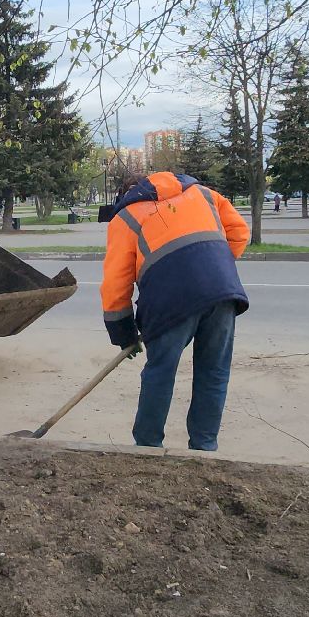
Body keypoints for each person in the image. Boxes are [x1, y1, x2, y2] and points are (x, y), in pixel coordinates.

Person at [101, 171, 250, 451]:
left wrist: (123, 332)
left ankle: (147, 445)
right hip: (221, 293)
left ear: (126, 193)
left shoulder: (126, 217)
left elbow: (116, 282)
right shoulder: (204, 194)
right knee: (214, 371)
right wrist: (210, 269)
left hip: (169, 300)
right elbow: (239, 233)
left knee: (160, 371)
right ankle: (205, 445)